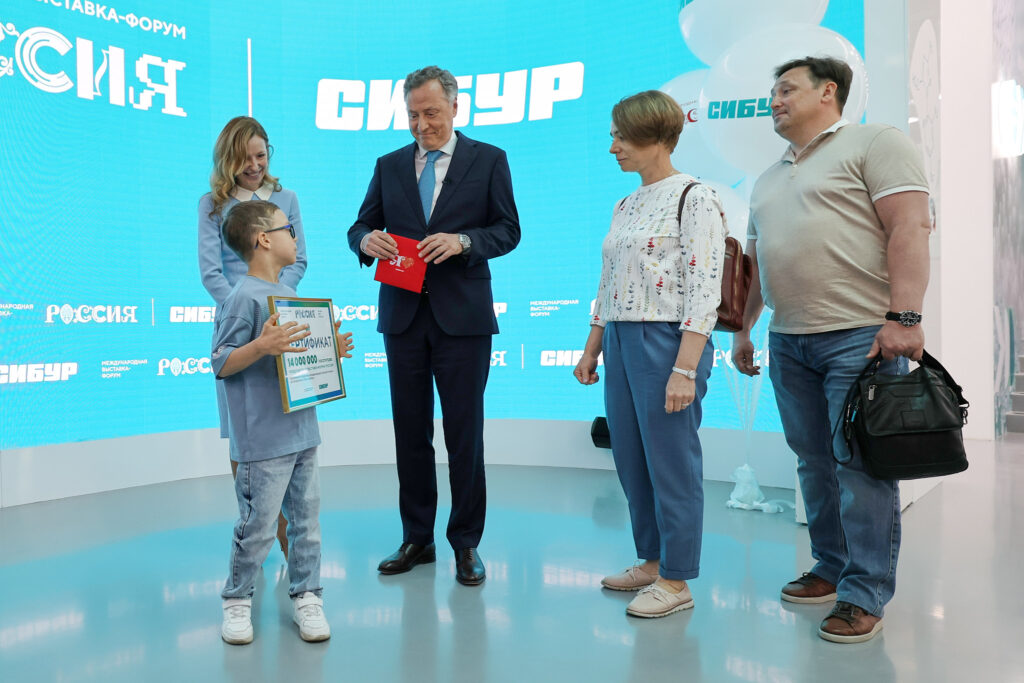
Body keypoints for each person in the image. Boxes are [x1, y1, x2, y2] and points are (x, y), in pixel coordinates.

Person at [733, 56, 930, 643]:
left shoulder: (875, 143)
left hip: (860, 336)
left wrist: (905, 318)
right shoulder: (767, 178)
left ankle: (864, 593)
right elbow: (758, 265)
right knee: (813, 460)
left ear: (828, 92)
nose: (774, 101)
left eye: (786, 89)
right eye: (772, 92)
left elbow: (910, 227)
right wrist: (744, 329)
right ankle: (830, 565)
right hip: (788, 339)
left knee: (860, 463)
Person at [347, 65, 520, 586]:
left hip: (463, 319)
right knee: (410, 432)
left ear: (455, 107)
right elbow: (360, 224)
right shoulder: (389, 165)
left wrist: (464, 242)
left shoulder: (489, 160)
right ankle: (417, 538)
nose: (422, 125)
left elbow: (508, 230)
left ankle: (466, 542)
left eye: (431, 113)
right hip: (402, 318)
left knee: (465, 434)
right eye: (412, 115)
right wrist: (365, 241)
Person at [574, 90, 726, 618]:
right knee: (631, 457)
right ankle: (652, 559)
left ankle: (677, 579)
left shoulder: (695, 197)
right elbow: (608, 282)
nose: (612, 147)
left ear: (655, 136)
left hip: (667, 341)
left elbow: (705, 290)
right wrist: (592, 349)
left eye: (621, 136)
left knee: (672, 461)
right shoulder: (625, 204)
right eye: (612, 136)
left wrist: (685, 367)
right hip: (620, 339)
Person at [213, 200, 354, 645]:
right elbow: (220, 362)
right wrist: (260, 345)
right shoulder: (241, 298)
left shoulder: (288, 297)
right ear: (264, 239)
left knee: (306, 524)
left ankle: (308, 595)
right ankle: (237, 600)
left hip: (302, 433)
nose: (296, 237)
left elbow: (295, 361)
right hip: (263, 441)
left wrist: (329, 352)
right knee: (257, 526)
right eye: (287, 229)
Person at [199, 116, 308, 559]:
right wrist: (246, 306)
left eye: (261, 156)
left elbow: (299, 262)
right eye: (244, 159)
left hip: (283, 322)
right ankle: (259, 524)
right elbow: (211, 272)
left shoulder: (287, 199)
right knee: (242, 430)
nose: (254, 165)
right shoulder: (212, 205)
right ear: (227, 160)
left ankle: (288, 532)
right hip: (237, 323)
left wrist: (277, 303)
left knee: (285, 422)